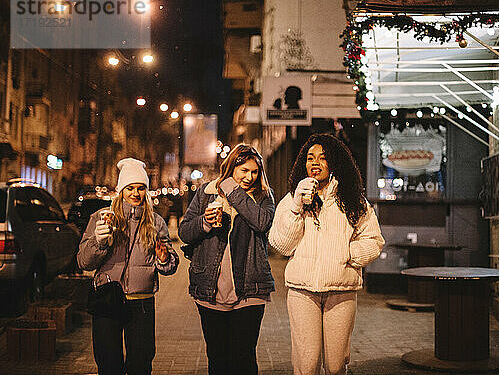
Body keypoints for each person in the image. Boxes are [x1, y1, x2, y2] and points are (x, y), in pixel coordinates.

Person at [269, 133, 385, 375]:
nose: (315, 163)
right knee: (307, 364)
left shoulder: (353, 201)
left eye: (323, 158)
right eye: (310, 158)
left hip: (341, 291)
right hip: (302, 292)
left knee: (335, 365)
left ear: (335, 163)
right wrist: (297, 206)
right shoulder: (292, 200)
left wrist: (347, 253)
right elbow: (281, 245)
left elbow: (374, 240)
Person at [178, 144, 275, 375]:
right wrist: (205, 222)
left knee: (244, 359)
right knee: (218, 359)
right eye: (244, 171)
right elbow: (184, 231)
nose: (250, 177)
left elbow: (261, 222)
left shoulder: (263, 196)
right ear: (232, 167)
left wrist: (231, 189)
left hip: (250, 289)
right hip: (210, 289)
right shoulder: (206, 192)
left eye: (254, 171)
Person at [77, 158, 179, 375]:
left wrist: (163, 258)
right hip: (107, 297)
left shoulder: (156, 222)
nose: (135, 193)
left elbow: (170, 267)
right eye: (130, 188)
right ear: (121, 190)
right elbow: (83, 262)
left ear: (146, 190)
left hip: (141, 302)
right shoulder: (101, 218)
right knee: (108, 362)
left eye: (141, 188)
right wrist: (99, 241)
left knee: (141, 362)